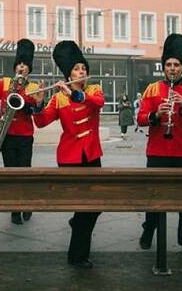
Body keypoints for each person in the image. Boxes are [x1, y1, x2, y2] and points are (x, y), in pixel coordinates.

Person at [33, 40, 104, 269]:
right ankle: (77, 256)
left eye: (83, 68)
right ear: (68, 73)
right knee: (85, 207)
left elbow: (98, 104)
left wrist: (76, 93)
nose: (81, 72)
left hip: (92, 155)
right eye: (76, 69)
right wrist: (37, 104)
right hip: (70, 158)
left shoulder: (93, 90)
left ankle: (77, 225)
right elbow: (42, 122)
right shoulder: (59, 97)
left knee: (94, 207)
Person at [136, 33, 182, 261]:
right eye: (168, 65)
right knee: (154, 198)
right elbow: (141, 118)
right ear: (163, 66)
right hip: (157, 152)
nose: (172, 69)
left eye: (176, 65)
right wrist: (156, 115)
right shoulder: (153, 89)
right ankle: (148, 230)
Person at [0, 39, 39, 225]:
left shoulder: (33, 87)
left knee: (25, 172)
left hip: (25, 136)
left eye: (25, 65)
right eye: (19, 64)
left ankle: (27, 204)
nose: (21, 67)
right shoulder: (4, 83)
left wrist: (36, 104)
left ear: (29, 69)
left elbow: (36, 112)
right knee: (11, 173)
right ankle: (15, 209)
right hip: (6, 135)